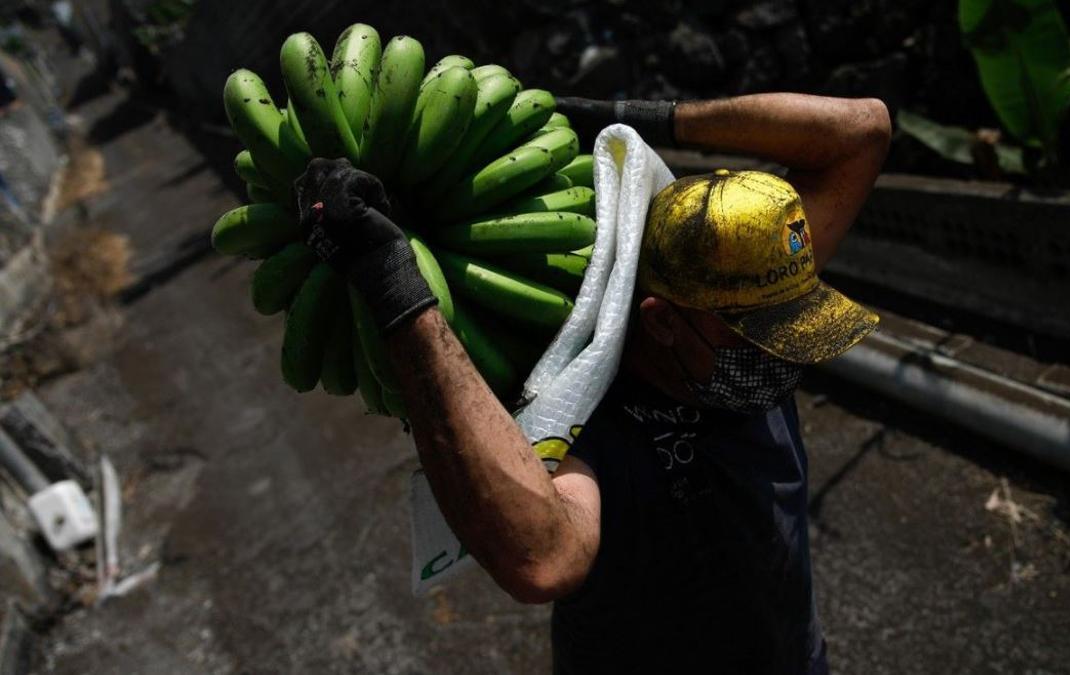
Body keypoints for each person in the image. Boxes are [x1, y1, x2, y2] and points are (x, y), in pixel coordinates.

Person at [295, 91, 891, 674]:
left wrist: (628, 117)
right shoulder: (587, 416)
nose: (783, 356)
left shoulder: (752, 286)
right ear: (662, 322)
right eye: (757, 337)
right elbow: (544, 562)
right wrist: (392, 284)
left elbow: (861, 129)